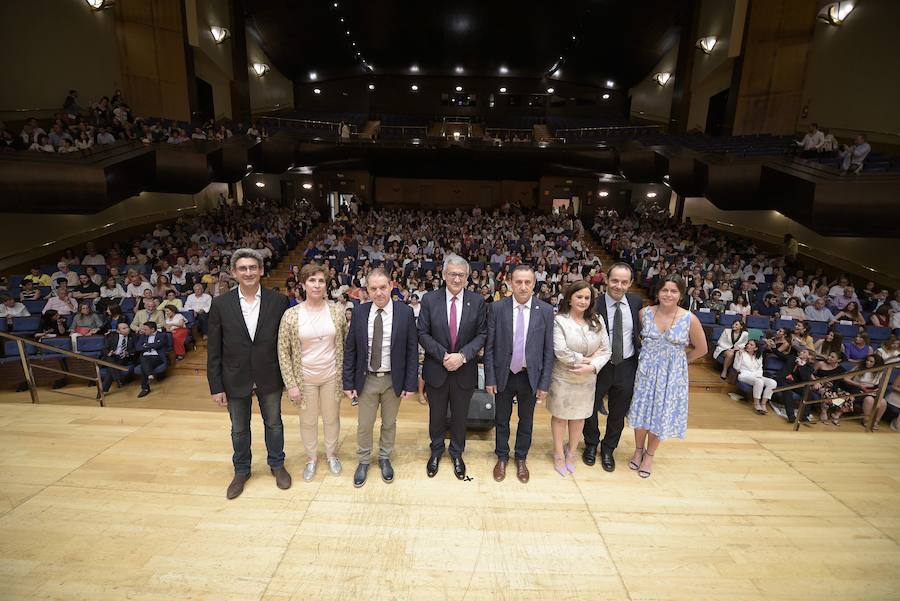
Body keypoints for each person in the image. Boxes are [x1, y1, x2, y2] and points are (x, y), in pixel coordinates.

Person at [207, 248, 291, 500]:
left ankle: (277, 464)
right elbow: (214, 348)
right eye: (242, 268)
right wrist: (216, 386)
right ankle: (242, 470)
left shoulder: (278, 301)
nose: (248, 272)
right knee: (239, 429)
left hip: (269, 375)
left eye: (253, 267)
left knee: (274, 424)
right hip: (234, 377)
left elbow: (284, 343)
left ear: (262, 270)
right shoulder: (220, 304)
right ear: (234, 273)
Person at [342, 268, 418, 488]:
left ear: (391, 286)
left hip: (393, 379)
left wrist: (410, 383)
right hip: (366, 379)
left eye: (383, 287)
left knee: (389, 423)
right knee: (364, 424)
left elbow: (412, 350)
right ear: (367, 290)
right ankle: (363, 460)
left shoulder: (404, 313)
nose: (378, 293)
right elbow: (351, 351)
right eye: (373, 288)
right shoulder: (359, 312)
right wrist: (348, 382)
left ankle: (384, 457)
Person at [627, 275, 708, 478]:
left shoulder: (690, 319)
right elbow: (636, 340)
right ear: (657, 292)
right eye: (665, 290)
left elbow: (701, 349)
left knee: (660, 415)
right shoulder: (644, 313)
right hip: (646, 372)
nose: (668, 295)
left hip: (672, 377)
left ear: (680, 295)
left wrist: (680, 363)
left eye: (673, 291)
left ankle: (649, 455)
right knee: (641, 412)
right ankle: (638, 450)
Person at [417, 254, 488, 480]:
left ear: (467, 278)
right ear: (444, 275)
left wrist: (463, 356)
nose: (456, 279)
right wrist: (445, 356)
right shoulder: (429, 300)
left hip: (464, 370)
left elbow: (482, 334)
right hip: (437, 369)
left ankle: (457, 452)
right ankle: (436, 450)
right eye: (452, 274)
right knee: (436, 416)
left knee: (460, 416)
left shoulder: (477, 301)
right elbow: (422, 333)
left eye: (461, 275)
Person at [484, 265, 555, 483]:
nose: (523, 287)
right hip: (504, 374)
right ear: (509, 283)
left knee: (527, 420)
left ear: (534, 284)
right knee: (501, 419)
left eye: (527, 282)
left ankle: (521, 457)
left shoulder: (544, 310)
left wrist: (544, 384)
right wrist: (490, 378)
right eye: (518, 282)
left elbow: (547, 351)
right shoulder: (497, 308)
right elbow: (490, 347)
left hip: (529, 376)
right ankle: (502, 457)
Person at [277, 263, 348, 482]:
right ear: (303, 284)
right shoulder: (291, 315)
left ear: (326, 284)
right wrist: (291, 384)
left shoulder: (337, 311)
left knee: (331, 418)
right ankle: (311, 458)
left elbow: (344, 342)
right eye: (312, 280)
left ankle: (331, 454)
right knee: (307, 421)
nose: (317, 285)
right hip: (304, 378)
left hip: (331, 376)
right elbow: (283, 351)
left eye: (321, 281)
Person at [547, 280, 612, 477]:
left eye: (587, 298)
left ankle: (571, 453)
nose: (583, 301)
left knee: (578, 419)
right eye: (579, 297)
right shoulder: (559, 320)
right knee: (559, 417)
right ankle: (558, 453)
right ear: (570, 298)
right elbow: (560, 351)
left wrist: (592, 365)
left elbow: (606, 350)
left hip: (587, 378)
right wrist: (587, 358)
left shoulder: (597, 320)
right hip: (563, 377)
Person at [581, 263, 643, 471]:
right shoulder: (593, 304)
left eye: (624, 282)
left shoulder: (636, 302)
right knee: (590, 406)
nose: (618, 286)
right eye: (615, 280)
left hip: (627, 364)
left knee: (618, 411)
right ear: (606, 280)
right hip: (600, 365)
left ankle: (608, 449)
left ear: (630, 284)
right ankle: (591, 444)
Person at [733, 340, 777, 415]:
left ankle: (763, 404)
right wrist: (739, 356)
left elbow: (760, 369)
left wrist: (759, 376)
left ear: (756, 348)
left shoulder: (758, 356)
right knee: (759, 381)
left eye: (751, 345)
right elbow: (736, 367)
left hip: (757, 375)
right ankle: (756, 403)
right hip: (744, 375)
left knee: (773, 383)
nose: (748, 345)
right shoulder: (741, 353)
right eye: (748, 344)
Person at [134, 321, 167, 398]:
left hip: (157, 357)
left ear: (152, 329)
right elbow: (138, 347)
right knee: (144, 360)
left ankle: (145, 388)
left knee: (143, 363)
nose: (143, 331)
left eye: (145, 329)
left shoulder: (162, 335)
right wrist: (151, 346)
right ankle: (150, 374)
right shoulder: (143, 336)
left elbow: (158, 345)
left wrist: (146, 345)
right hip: (145, 357)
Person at [101, 322, 136, 393]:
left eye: (127, 327)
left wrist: (128, 353)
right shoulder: (111, 336)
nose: (127, 329)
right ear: (118, 331)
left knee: (111, 368)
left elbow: (136, 348)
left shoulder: (133, 336)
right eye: (124, 328)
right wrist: (109, 352)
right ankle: (118, 379)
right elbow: (104, 348)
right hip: (112, 357)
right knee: (110, 359)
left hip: (123, 358)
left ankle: (102, 391)